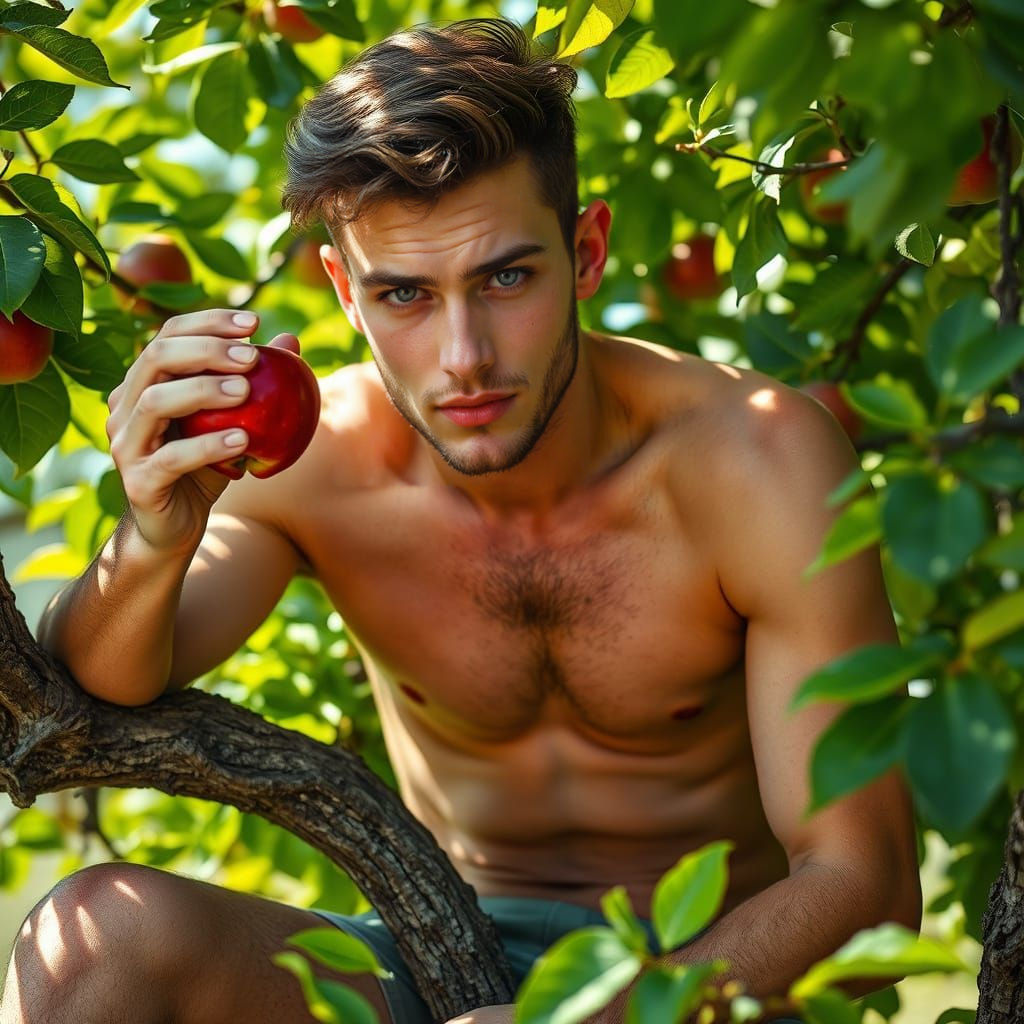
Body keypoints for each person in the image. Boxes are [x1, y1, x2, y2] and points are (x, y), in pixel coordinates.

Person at [0, 17, 922, 1024]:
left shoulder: (758, 459)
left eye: (505, 278)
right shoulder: (312, 459)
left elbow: (864, 888)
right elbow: (97, 680)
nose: (462, 357)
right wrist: (152, 538)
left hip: (720, 975)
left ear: (588, 249)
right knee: (98, 939)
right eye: (404, 294)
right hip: (447, 949)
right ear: (346, 292)